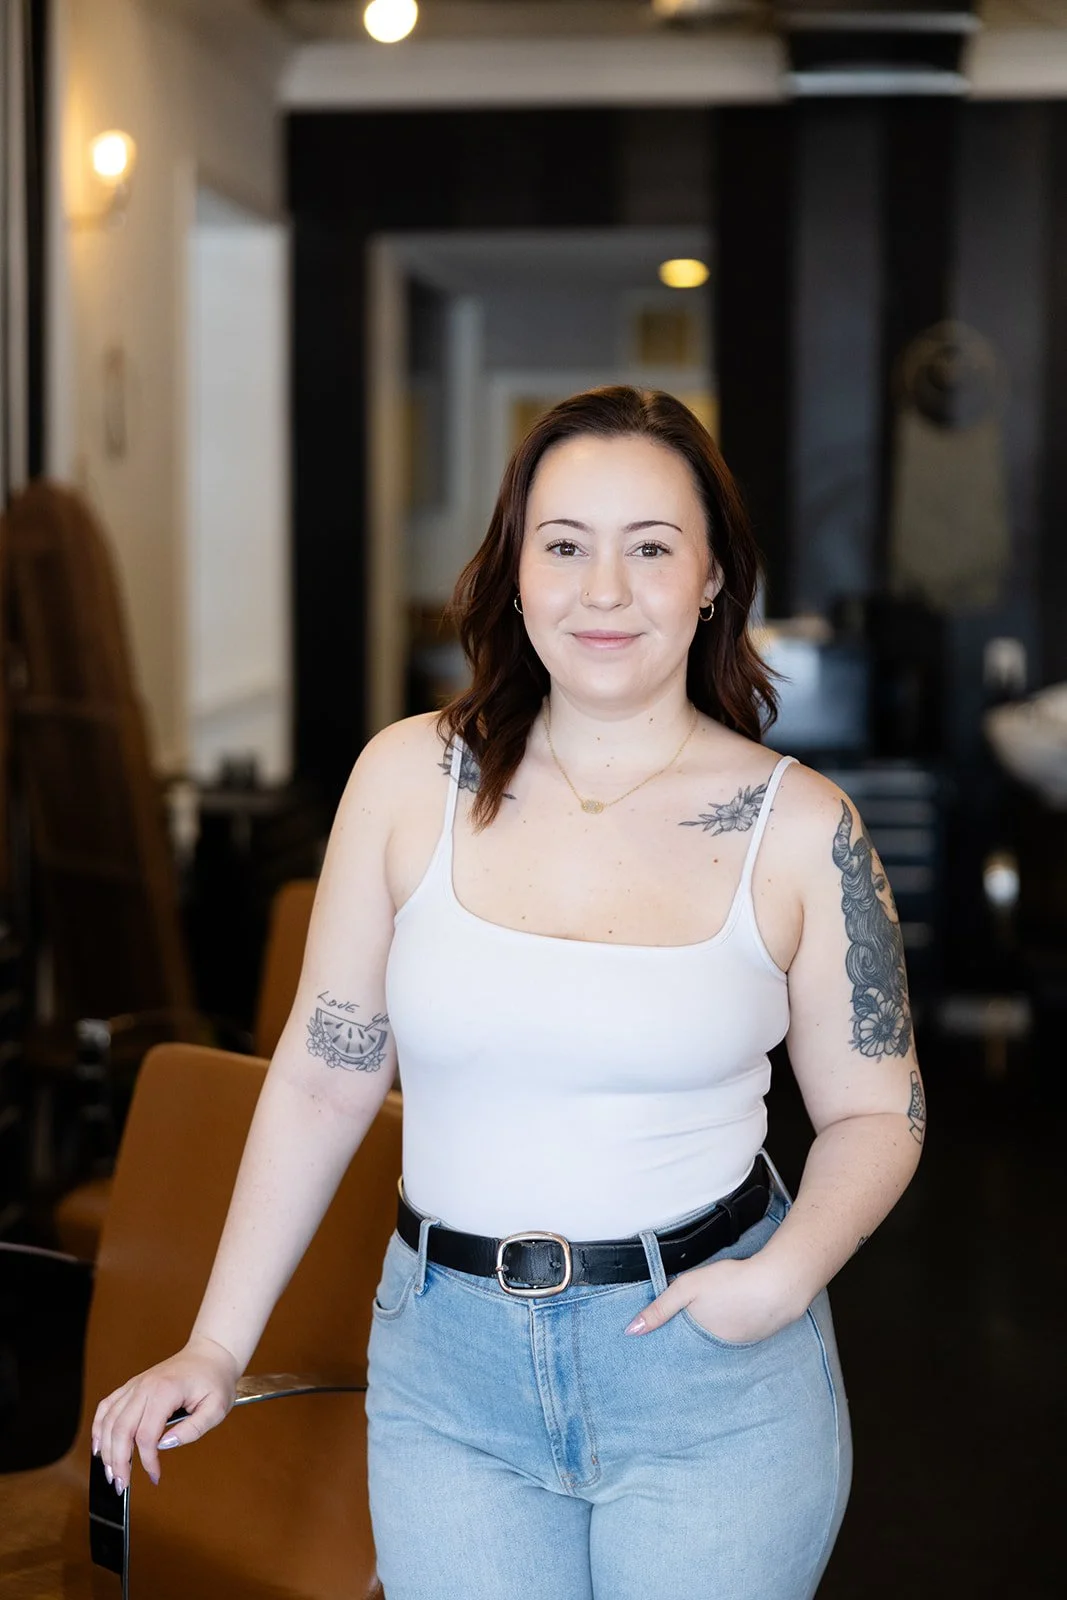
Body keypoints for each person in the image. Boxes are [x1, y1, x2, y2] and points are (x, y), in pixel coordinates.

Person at [94, 387, 926, 1599]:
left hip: (702, 1371)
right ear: (514, 568)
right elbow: (325, 1078)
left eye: (649, 548)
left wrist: (781, 1278)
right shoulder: (402, 778)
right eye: (563, 545)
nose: (603, 590)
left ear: (708, 580)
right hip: (449, 1373)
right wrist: (218, 1343)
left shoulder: (799, 828)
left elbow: (875, 1110)